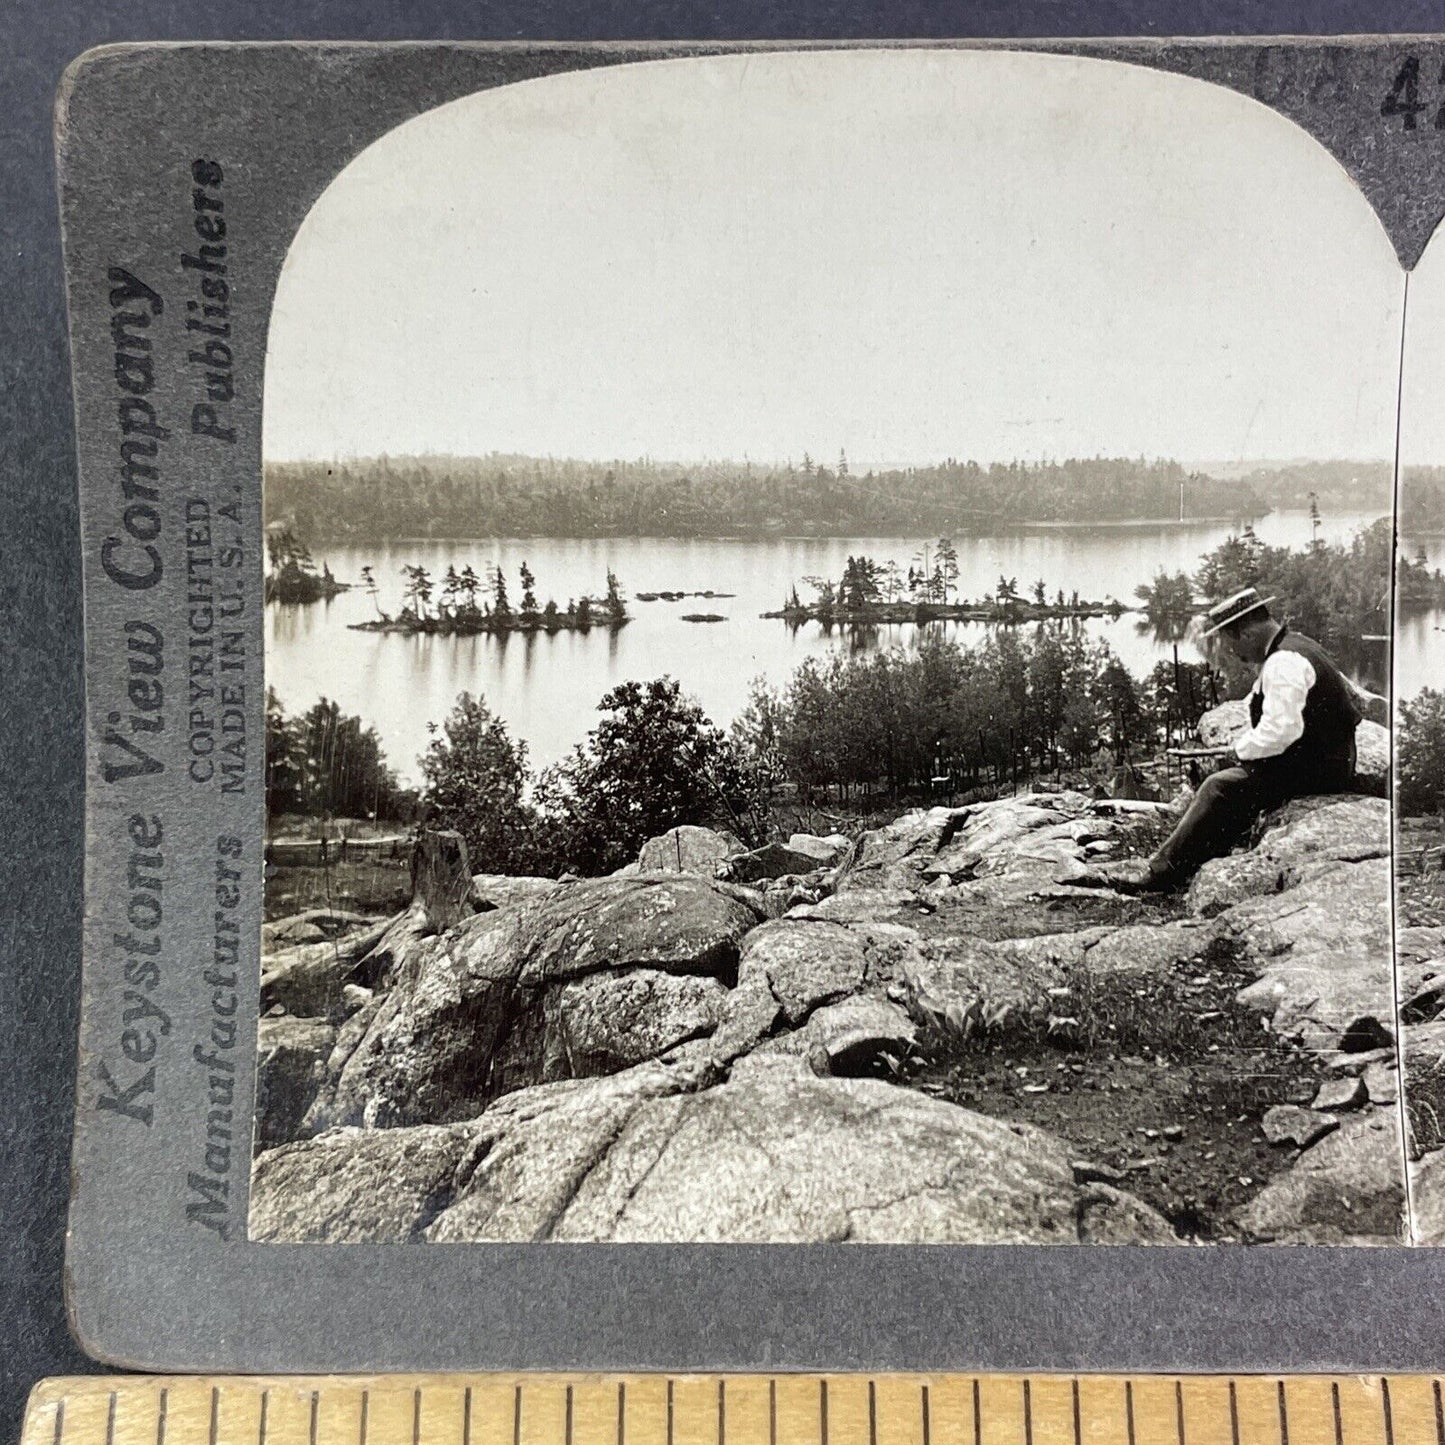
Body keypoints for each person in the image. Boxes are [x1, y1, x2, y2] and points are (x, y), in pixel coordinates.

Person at [1084, 586, 1361, 894]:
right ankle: (1197, 857)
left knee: (1219, 787)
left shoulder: (1282, 662)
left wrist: (1240, 751)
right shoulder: (1299, 645)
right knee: (1235, 786)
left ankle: (1160, 875)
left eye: (1230, 642)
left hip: (1317, 771)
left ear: (1246, 633)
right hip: (1329, 760)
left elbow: (1281, 732)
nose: (1232, 652)